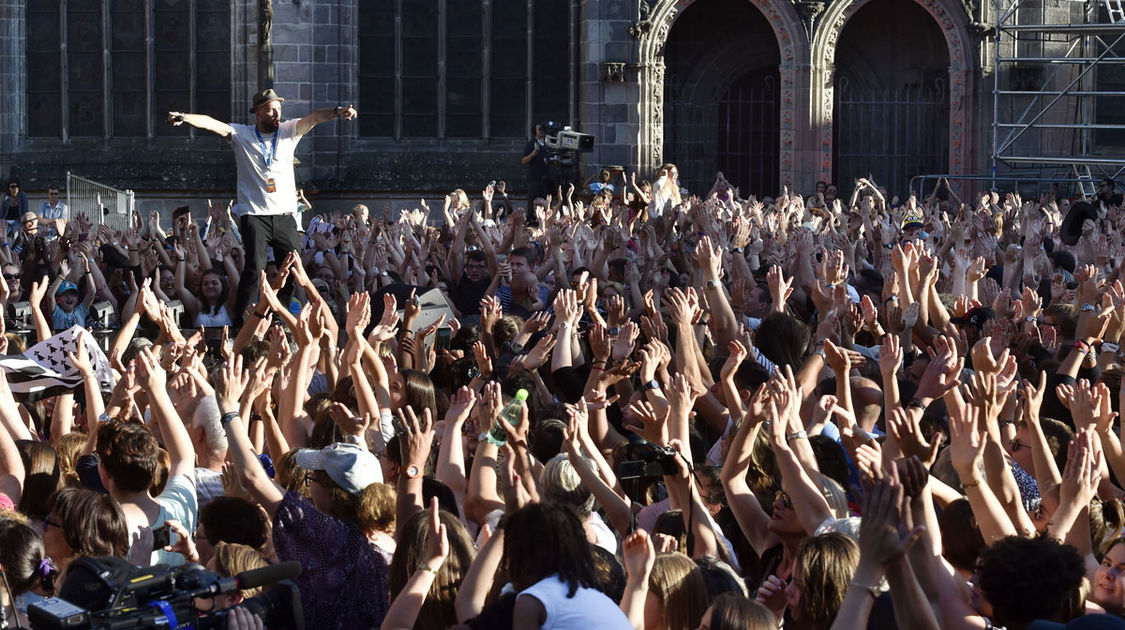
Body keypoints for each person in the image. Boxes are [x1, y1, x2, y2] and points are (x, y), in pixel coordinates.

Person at [168, 89, 357, 324]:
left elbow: (315, 118)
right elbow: (211, 123)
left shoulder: (289, 131)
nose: (276, 113)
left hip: (284, 214)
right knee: (256, 266)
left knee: (293, 266)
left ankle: (282, 312)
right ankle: (244, 318)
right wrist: (185, 117)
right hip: (255, 214)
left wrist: (338, 112)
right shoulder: (242, 134)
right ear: (258, 113)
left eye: (278, 109)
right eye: (270, 109)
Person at [522, 123, 550, 207]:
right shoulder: (530, 144)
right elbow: (523, 161)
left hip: (546, 178)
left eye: (543, 129)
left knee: (545, 200)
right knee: (533, 200)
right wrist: (532, 155)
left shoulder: (547, 144)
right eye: (539, 129)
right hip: (534, 178)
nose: (542, 131)